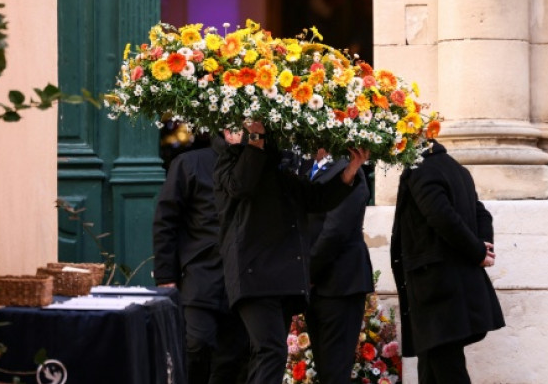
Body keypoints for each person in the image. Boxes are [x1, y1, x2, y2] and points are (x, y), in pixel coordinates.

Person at [213, 121, 369, 384]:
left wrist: (351, 170)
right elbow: (243, 185)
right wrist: (254, 138)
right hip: (252, 272)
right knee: (270, 350)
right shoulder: (230, 161)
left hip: (281, 276)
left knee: (269, 352)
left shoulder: (279, 166)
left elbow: (315, 199)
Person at [390, 140, 505, 384]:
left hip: (437, 289)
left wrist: (478, 251)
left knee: (447, 368)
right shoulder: (456, 168)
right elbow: (480, 213)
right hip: (448, 288)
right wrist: (485, 246)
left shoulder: (422, 169)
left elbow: (441, 216)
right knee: (432, 365)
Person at [153, 141, 250, 384]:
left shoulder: (256, 162)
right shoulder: (189, 163)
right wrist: (166, 277)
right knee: (195, 345)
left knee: (233, 358)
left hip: (244, 280)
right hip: (200, 276)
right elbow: (166, 222)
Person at [302, 149, 374, 384]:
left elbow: (336, 230)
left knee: (335, 369)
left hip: (340, 282)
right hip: (317, 286)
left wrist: (308, 272)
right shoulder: (309, 168)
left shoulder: (348, 170)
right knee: (325, 368)